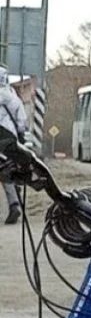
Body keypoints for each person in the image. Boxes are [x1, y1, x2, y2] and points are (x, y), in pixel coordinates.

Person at [0, 68, 27, 225]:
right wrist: (21, 134)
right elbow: (21, 119)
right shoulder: (12, 97)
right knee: (7, 170)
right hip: (9, 140)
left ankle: (14, 203)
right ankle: (14, 203)